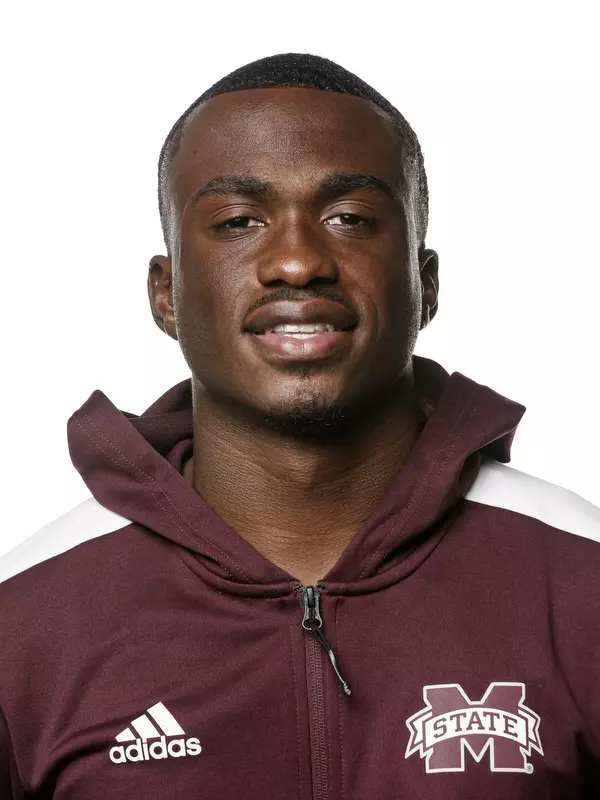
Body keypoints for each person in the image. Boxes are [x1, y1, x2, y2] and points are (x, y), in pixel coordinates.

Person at [0, 51, 599, 800]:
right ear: (166, 294)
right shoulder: (23, 625)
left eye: (350, 218)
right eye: (238, 221)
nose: (296, 262)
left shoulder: (583, 581)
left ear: (425, 284)